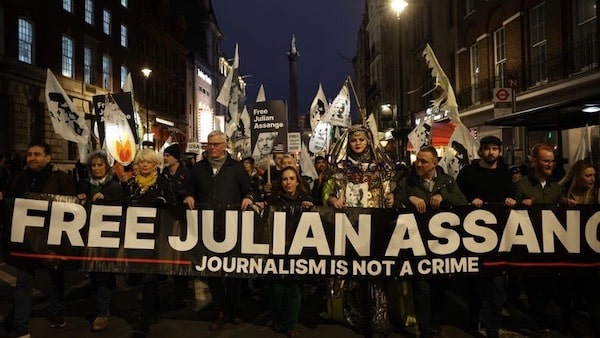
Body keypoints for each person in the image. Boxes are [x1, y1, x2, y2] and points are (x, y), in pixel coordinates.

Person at [322, 125, 396, 338]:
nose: (357, 143)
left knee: (375, 273)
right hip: (349, 226)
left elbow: (393, 189)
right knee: (352, 273)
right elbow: (326, 190)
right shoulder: (340, 168)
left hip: (375, 227)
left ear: (368, 141)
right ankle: (356, 317)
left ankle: (379, 320)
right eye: (354, 140)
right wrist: (332, 199)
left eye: (361, 140)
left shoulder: (381, 167)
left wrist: (391, 197)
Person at [183, 130, 254, 331]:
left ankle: (235, 309)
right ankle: (219, 311)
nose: (212, 148)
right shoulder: (198, 168)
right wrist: (188, 195)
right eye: (209, 144)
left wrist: (248, 197)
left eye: (216, 144)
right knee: (213, 272)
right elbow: (187, 187)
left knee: (233, 272)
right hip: (207, 227)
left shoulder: (237, 168)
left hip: (232, 228)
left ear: (224, 145)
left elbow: (248, 190)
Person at [395, 145, 467, 338]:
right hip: (417, 243)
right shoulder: (407, 181)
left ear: (435, 163)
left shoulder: (447, 181)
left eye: (424, 161)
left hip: (441, 244)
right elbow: (395, 201)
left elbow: (461, 201)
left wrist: (443, 196)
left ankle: (436, 322)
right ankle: (425, 328)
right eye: (417, 160)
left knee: (438, 287)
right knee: (422, 287)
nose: (418, 164)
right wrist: (409, 198)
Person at [7, 141, 77, 338]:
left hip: (51, 238)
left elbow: (71, 207)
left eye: (37, 154)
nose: (32, 158)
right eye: (29, 154)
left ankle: (56, 312)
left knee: (55, 277)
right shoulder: (21, 178)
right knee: (23, 280)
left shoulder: (61, 178)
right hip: (26, 239)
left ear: (48, 158)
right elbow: (12, 201)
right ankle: (21, 325)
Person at [455, 136, 516, 338]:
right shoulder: (467, 173)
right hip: (473, 237)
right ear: (480, 150)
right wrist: (470, 201)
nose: (491, 152)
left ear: (499, 151)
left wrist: (511, 200)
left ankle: (492, 329)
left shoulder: (505, 174)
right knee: (475, 287)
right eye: (487, 149)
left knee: (498, 288)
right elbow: (456, 197)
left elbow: (513, 194)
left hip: (498, 239)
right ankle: (472, 322)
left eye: (495, 149)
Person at [513, 143, 565, 334]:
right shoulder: (521, 186)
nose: (550, 165)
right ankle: (537, 323)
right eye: (545, 161)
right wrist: (520, 204)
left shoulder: (556, 187)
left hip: (551, 244)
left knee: (549, 286)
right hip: (531, 245)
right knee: (534, 287)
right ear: (534, 162)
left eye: (552, 161)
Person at [125, 148, 175, 338]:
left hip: (156, 236)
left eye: (149, 162)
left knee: (149, 276)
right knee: (145, 276)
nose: (145, 165)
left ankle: (143, 323)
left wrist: (163, 202)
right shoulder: (131, 184)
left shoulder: (163, 182)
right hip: (136, 236)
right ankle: (156, 309)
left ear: (155, 165)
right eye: (142, 162)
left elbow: (172, 203)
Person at [76, 150, 123, 332]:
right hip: (87, 235)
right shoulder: (83, 185)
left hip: (106, 236)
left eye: (99, 165)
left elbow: (121, 208)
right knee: (96, 273)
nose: (96, 168)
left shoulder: (114, 186)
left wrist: (107, 200)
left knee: (101, 270)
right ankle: (104, 296)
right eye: (93, 165)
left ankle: (103, 312)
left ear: (106, 167)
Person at [266, 166, 313, 337]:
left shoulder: (306, 198)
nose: (288, 182)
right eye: (285, 179)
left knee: (294, 288)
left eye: (292, 178)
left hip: (297, 249)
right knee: (277, 288)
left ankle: (290, 323)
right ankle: (278, 320)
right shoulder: (274, 199)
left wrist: (310, 208)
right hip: (278, 248)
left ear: (297, 181)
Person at [558, 159, 599, 336]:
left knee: (593, 290)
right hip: (568, 249)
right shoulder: (563, 193)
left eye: (594, 176)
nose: (592, 179)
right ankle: (566, 323)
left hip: (590, 252)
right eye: (588, 175)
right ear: (577, 177)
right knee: (566, 289)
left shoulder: (596, 194)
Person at [161, 144, 192, 309]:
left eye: (168, 155)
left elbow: (193, 190)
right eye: (164, 155)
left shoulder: (187, 174)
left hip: (183, 220)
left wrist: (188, 195)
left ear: (176, 158)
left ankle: (181, 293)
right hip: (167, 219)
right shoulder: (163, 174)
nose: (165, 158)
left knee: (182, 256)